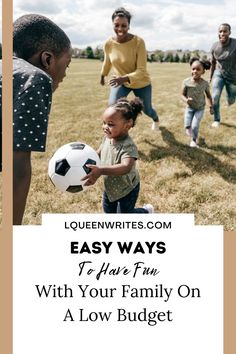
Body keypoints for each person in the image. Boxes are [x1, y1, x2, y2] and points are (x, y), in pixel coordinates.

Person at [13, 14, 72, 224]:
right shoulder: (35, 79)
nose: (65, 74)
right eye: (68, 63)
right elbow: (17, 167)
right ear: (47, 59)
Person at [83, 97, 154, 213]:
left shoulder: (128, 146)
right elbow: (99, 153)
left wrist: (100, 170)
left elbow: (125, 167)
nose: (105, 127)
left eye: (110, 124)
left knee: (125, 215)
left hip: (127, 189)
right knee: (109, 214)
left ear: (128, 124)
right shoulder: (108, 138)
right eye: (104, 123)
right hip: (110, 188)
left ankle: (146, 211)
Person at [100, 7, 159, 130]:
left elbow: (142, 70)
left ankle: (155, 119)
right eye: (116, 25)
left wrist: (125, 78)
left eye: (124, 25)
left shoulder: (138, 42)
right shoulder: (108, 43)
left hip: (141, 83)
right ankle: (118, 133)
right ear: (112, 25)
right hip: (121, 83)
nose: (120, 29)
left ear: (129, 26)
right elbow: (107, 61)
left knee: (147, 109)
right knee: (112, 107)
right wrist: (103, 75)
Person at [182, 57, 213, 148]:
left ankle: (193, 140)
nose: (195, 71)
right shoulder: (186, 82)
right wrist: (186, 100)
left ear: (203, 72)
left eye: (198, 69)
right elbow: (182, 95)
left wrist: (211, 107)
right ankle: (189, 130)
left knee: (195, 125)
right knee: (187, 125)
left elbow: (208, 96)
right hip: (190, 108)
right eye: (193, 69)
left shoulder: (204, 84)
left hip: (200, 108)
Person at [210, 23, 236, 127]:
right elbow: (213, 63)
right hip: (219, 73)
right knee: (215, 96)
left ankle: (230, 98)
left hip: (233, 77)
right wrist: (211, 77)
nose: (222, 33)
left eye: (225, 31)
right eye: (220, 31)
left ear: (229, 32)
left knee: (231, 100)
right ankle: (216, 119)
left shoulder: (235, 44)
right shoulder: (215, 46)